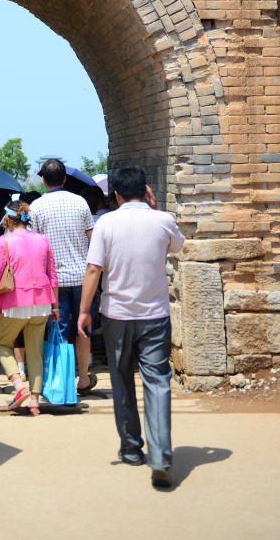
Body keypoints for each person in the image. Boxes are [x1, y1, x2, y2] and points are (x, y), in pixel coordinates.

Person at [77, 165, 184, 489]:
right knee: (157, 383)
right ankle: (161, 456)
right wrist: (154, 209)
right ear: (146, 190)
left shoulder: (106, 223)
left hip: (117, 315)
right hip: (154, 316)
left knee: (122, 379)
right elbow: (178, 246)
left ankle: (131, 448)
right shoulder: (162, 220)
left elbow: (95, 269)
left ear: (117, 194)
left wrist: (85, 311)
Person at [0, 200, 59, 415]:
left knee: (3, 345)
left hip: (14, 303)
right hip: (41, 302)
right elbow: (53, 276)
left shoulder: (3, 242)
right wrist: (55, 307)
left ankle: (19, 386)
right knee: (35, 353)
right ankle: (35, 401)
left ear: (7, 219)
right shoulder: (43, 240)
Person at [30, 158, 96, 395]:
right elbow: (93, 238)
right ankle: (84, 378)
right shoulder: (81, 203)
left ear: (44, 180)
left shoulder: (36, 207)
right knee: (83, 328)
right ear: (65, 179)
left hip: (52, 282)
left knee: (59, 331)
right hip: (82, 278)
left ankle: (63, 379)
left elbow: (34, 247)